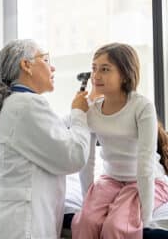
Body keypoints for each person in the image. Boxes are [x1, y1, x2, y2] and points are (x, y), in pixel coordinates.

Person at [0, 39, 90, 239]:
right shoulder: (27, 105)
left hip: (1, 223)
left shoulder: (15, 103)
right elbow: (74, 157)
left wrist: (77, 113)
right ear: (26, 65)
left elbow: (50, 130)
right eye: (45, 59)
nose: (52, 67)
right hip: (16, 227)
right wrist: (79, 115)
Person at [71, 43, 168, 239]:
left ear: (124, 74)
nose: (96, 76)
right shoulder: (92, 109)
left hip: (146, 180)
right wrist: (88, 198)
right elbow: (87, 159)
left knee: (117, 226)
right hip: (111, 179)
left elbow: (145, 162)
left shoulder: (141, 107)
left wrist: (146, 216)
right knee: (85, 222)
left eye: (105, 69)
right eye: (94, 68)